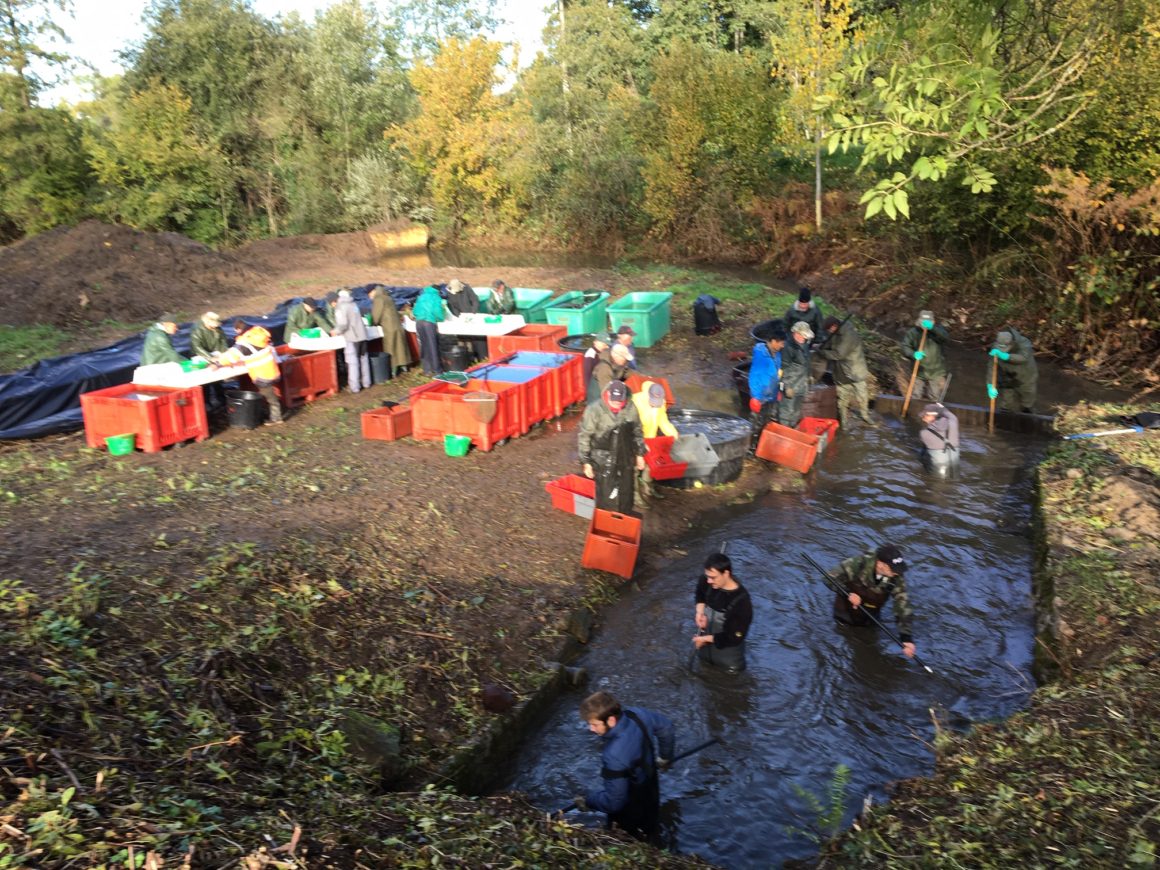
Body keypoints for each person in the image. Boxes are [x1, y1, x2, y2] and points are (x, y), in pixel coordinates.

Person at [573, 691, 675, 843]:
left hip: (631, 805)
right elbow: (667, 728)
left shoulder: (613, 754)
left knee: (626, 838)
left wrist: (589, 801)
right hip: (651, 783)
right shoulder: (637, 714)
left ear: (611, 720)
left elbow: (614, 803)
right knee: (651, 825)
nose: (591, 729)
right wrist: (665, 757)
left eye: (594, 724)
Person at [829, 544, 916, 659]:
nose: (897, 573)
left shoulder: (896, 576)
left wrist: (906, 638)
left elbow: (902, 605)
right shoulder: (857, 564)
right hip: (844, 615)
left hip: (871, 618)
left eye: (898, 569)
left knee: (870, 651)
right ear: (880, 564)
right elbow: (829, 578)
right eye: (893, 569)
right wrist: (847, 593)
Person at [578, 380, 647, 514]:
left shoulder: (631, 408)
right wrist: (586, 462)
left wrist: (640, 454)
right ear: (608, 394)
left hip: (625, 455)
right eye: (614, 401)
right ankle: (605, 517)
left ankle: (625, 514)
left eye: (619, 401)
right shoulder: (594, 410)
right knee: (605, 492)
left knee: (626, 490)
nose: (617, 404)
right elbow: (584, 436)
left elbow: (637, 431)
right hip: (602, 457)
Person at [692, 551, 753, 673]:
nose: (708, 581)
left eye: (713, 577)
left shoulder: (741, 602)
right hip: (705, 655)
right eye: (707, 576)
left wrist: (704, 639)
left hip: (729, 663)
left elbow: (733, 638)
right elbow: (700, 594)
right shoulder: (708, 581)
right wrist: (700, 612)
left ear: (726, 573)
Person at [216, 325, 284, 425]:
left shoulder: (244, 344)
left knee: (270, 398)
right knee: (270, 395)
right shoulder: (260, 337)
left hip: (262, 376)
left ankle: (276, 418)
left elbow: (230, 357)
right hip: (272, 371)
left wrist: (217, 363)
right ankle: (271, 414)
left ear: (239, 331)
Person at [817, 316, 875, 426]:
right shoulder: (834, 333)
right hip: (840, 371)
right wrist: (822, 346)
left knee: (862, 395)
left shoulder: (849, 334)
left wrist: (822, 352)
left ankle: (865, 416)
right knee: (842, 397)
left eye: (829, 330)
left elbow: (839, 354)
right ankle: (843, 421)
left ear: (834, 327)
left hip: (855, 370)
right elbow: (830, 343)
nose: (828, 332)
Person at [632, 381, 677, 504]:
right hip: (634, 439)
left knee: (650, 465)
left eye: (657, 404)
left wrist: (673, 434)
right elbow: (632, 429)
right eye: (653, 403)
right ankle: (635, 495)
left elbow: (663, 422)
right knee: (634, 467)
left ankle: (648, 488)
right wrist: (639, 447)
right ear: (647, 395)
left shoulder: (660, 404)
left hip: (650, 438)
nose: (655, 406)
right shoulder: (635, 403)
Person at [747, 320, 787, 449]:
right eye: (781, 343)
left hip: (772, 394)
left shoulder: (778, 355)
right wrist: (755, 397)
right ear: (773, 341)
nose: (783, 346)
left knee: (768, 421)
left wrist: (779, 391)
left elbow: (778, 374)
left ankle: (763, 447)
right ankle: (750, 448)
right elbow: (754, 377)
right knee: (755, 424)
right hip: (760, 397)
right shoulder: (761, 356)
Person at [899, 310, 950, 404]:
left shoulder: (938, 331)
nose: (924, 324)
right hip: (918, 371)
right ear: (919, 321)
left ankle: (932, 416)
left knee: (935, 398)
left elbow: (946, 338)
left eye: (928, 322)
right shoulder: (913, 332)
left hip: (936, 372)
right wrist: (913, 354)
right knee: (915, 396)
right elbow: (905, 346)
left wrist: (932, 328)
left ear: (933, 322)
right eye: (923, 322)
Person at [988, 327, 1037, 413]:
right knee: (1006, 402)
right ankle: (1005, 414)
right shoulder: (996, 347)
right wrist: (990, 385)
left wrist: (1006, 356)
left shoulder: (1024, 343)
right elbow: (992, 367)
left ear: (1012, 342)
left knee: (1027, 399)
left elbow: (1024, 358)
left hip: (1025, 375)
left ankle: (1026, 413)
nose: (1002, 351)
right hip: (1006, 375)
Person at [330, 289, 370, 393]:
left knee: (353, 362)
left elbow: (343, 324)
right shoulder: (353, 304)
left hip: (352, 337)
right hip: (362, 335)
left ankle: (354, 387)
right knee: (364, 359)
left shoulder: (341, 307)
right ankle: (366, 382)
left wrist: (335, 331)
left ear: (334, 301)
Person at [369, 286, 415, 376]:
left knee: (391, 347)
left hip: (388, 326)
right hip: (398, 325)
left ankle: (393, 370)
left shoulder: (379, 299)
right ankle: (404, 367)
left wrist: (373, 323)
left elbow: (376, 314)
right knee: (400, 346)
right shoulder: (389, 298)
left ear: (375, 292)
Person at [778, 321, 813, 428]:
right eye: (802, 335)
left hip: (801, 384)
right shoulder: (788, 348)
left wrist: (809, 376)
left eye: (805, 336)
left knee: (796, 411)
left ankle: (792, 430)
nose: (803, 338)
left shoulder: (805, 345)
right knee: (786, 411)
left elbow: (806, 363)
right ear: (795, 333)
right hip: (791, 385)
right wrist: (786, 386)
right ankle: (783, 431)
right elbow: (783, 369)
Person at [445, 279, 486, 362]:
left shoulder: (467, 288)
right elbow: (451, 306)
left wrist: (473, 312)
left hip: (471, 316)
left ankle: (477, 356)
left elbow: (475, 300)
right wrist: (458, 315)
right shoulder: (449, 292)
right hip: (460, 318)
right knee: (462, 338)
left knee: (475, 337)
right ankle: (467, 358)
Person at [412, 285, 446, 376]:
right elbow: (438, 312)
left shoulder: (421, 296)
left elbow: (414, 311)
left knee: (424, 345)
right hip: (429, 322)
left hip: (419, 322)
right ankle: (437, 370)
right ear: (438, 291)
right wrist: (441, 319)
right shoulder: (436, 297)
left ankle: (427, 370)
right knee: (433, 345)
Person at [919, 402, 960, 475]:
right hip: (955, 472)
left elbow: (922, 457)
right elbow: (948, 413)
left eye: (925, 416)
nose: (923, 419)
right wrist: (941, 408)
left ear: (932, 416)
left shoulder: (924, 433)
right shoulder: (954, 421)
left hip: (937, 475)